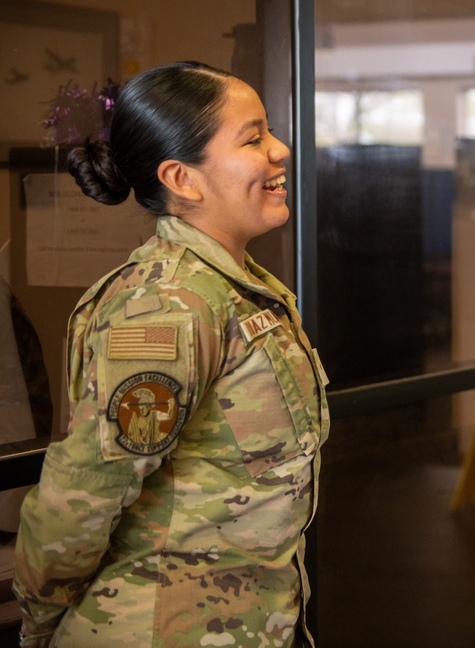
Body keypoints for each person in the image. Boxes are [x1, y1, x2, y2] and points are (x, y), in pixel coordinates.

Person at [13, 61, 330, 647]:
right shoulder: (166, 305)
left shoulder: (234, 287)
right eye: (254, 137)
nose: (279, 150)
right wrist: (38, 625)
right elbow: (79, 496)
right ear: (183, 179)